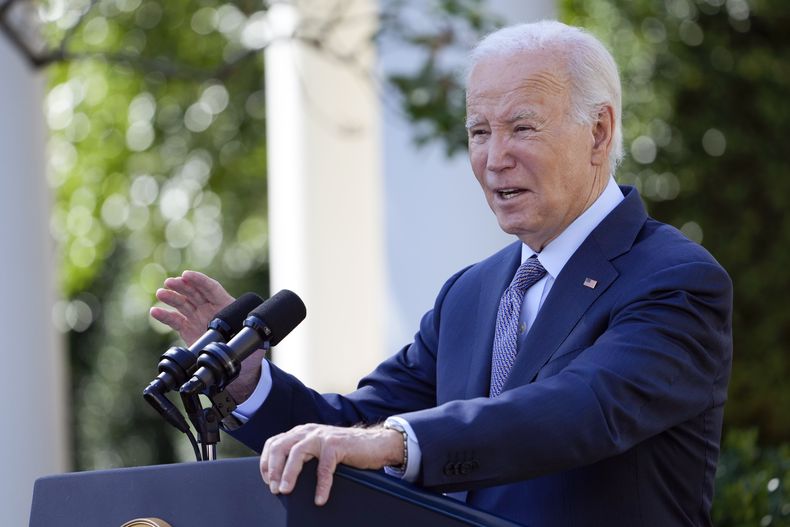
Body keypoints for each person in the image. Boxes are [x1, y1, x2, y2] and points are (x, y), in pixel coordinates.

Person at [151, 21, 732, 526]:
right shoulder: (471, 294)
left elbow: (582, 409)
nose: (494, 156)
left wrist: (397, 441)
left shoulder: (675, 279)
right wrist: (250, 381)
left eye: (522, 128)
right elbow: (353, 427)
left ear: (599, 133)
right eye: (479, 131)